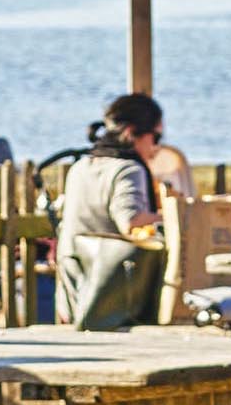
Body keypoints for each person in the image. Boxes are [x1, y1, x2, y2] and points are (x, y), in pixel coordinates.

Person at [56, 94, 171, 326]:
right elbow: (131, 221)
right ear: (131, 132)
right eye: (156, 137)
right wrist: (174, 217)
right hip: (109, 296)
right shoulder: (128, 170)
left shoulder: (80, 167)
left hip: (72, 286)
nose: (157, 147)